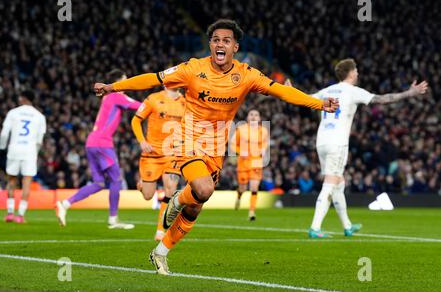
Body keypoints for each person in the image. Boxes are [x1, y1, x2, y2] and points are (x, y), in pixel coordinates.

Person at [94, 19, 339, 275]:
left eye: (226, 40)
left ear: (235, 47)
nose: (220, 44)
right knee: (203, 187)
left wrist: (319, 104)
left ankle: (161, 252)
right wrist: (113, 87)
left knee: (197, 203)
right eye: (216, 40)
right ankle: (177, 199)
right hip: (188, 140)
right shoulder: (192, 69)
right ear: (210, 45)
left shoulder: (247, 75)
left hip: (216, 148)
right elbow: (153, 79)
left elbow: (282, 92)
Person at [308, 58, 428, 238]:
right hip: (337, 142)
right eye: (356, 70)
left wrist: (288, 89)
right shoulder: (352, 91)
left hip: (322, 141)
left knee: (339, 183)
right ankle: (315, 228)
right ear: (350, 73)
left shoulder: (326, 91)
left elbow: (302, 99)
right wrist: (409, 93)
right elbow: (383, 99)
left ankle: (347, 226)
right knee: (330, 183)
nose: (358, 73)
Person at [56, 69, 141, 229]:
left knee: (100, 182)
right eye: (124, 80)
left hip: (92, 142)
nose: (127, 82)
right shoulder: (117, 95)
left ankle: (65, 204)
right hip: (103, 142)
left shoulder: (108, 97)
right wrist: (161, 105)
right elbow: (140, 106)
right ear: (117, 82)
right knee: (116, 179)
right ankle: (113, 220)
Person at [131, 87, 186, 241]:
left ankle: (160, 230)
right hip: (152, 154)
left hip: (173, 154)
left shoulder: (186, 102)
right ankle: (142, 186)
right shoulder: (153, 98)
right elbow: (136, 120)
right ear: (165, 82)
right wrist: (142, 141)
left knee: (171, 188)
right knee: (148, 196)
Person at [0, 90, 46, 223]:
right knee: (26, 183)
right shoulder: (39, 116)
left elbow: (4, 133)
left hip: (14, 149)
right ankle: (20, 215)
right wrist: (35, 153)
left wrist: (2, 148)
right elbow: (39, 140)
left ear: (23, 98)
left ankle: (9, 213)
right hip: (29, 151)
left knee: (11, 181)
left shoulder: (13, 113)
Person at [230, 109, 269, 221]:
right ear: (247, 117)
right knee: (242, 187)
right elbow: (233, 145)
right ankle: (239, 197)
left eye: (256, 115)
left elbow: (265, 143)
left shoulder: (263, 131)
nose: (253, 117)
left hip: (256, 161)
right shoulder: (241, 130)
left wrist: (263, 149)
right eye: (251, 114)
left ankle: (251, 212)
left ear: (259, 118)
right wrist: (240, 151)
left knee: (254, 187)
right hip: (243, 162)